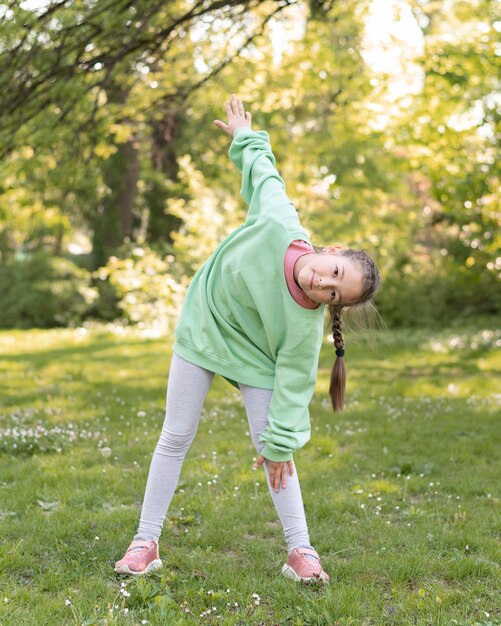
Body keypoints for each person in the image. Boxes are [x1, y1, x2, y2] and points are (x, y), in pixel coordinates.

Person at [114, 95, 380, 583]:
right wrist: (245, 136)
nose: (324, 285)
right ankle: (144, 542)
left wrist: (279, 441)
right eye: (333, 272)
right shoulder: (280, 223)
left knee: (276, 452)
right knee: (175, 434)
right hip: (207, 322)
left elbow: (296, 382)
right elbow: (265, 174)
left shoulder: (305, 323)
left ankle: (300, 550)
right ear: (332, 251)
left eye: (335, 294)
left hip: (256, 354)